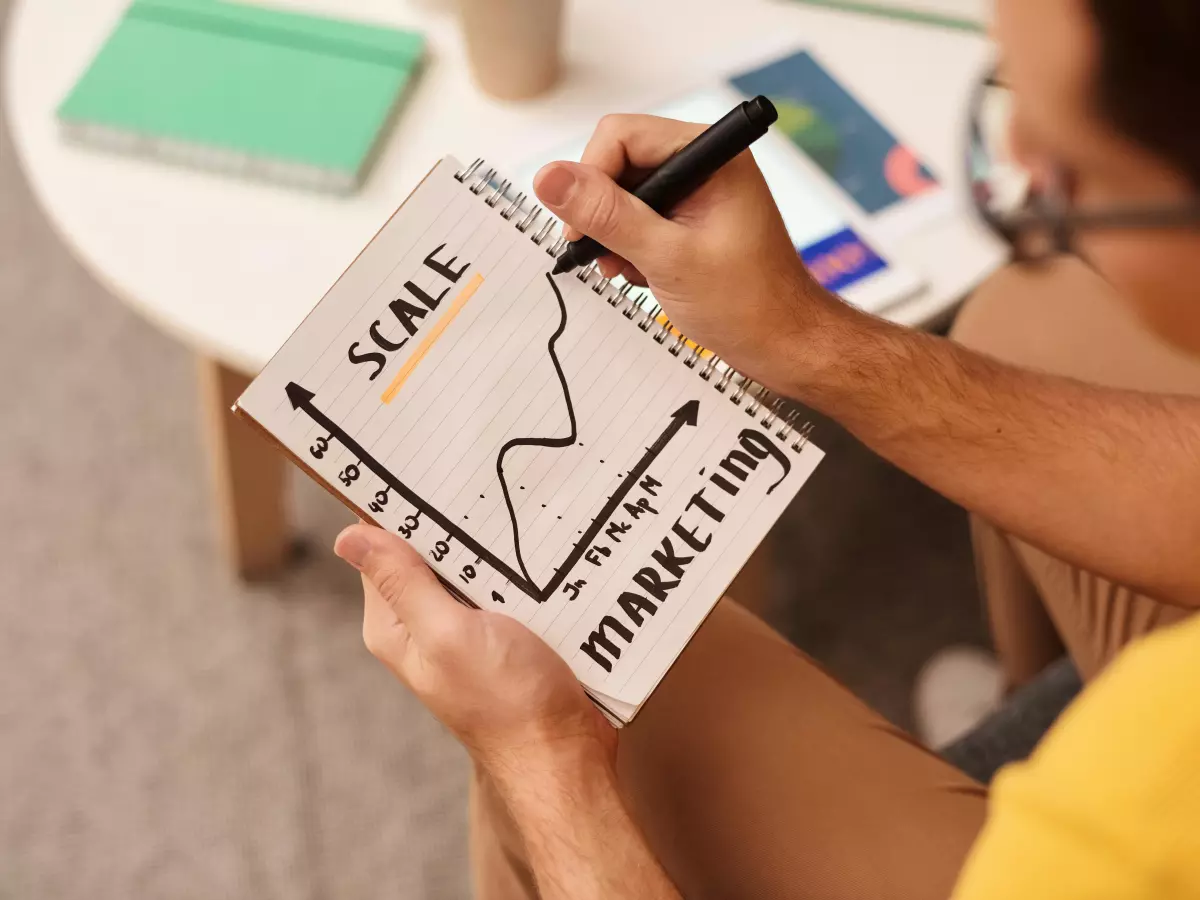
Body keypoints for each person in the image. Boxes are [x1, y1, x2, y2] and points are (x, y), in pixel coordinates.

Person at [332, 0, 1200, 896]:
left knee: (591, 683)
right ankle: (1038, 696)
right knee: (1034, 309)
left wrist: (540, 757)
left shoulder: (1137, 796)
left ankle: (1027, 737)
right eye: (1007, 84)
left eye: (1073, 169)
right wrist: (803, 335)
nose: (1020, 156)